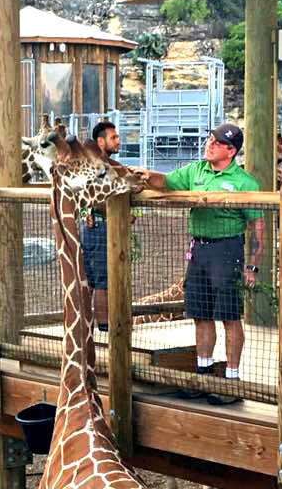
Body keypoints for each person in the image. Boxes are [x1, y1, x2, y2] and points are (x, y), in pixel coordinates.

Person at [131, 123, 265, 405]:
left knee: (229, 316)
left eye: (216, 142)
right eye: (209, 140)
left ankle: (231, 380)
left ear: (231, 150)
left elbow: (257, 225)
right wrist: (146, 175)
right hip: (199, 249)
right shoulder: (196, 171)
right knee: (201, 314)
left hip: (227, 250)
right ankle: (202, 373)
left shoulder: (244, 182)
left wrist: (252, 265)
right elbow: (165, 181)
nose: (209, 144)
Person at [79, 120, 121, 331]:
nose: (118, 141)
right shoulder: (97, 165)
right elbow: (95, 199)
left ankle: (88, 327)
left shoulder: (103, 164)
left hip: (92, 225)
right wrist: (121, 214)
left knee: (93, 278)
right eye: (113, 137)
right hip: (99, 226)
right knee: (102, 280)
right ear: (101, 141)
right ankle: (104, 329)